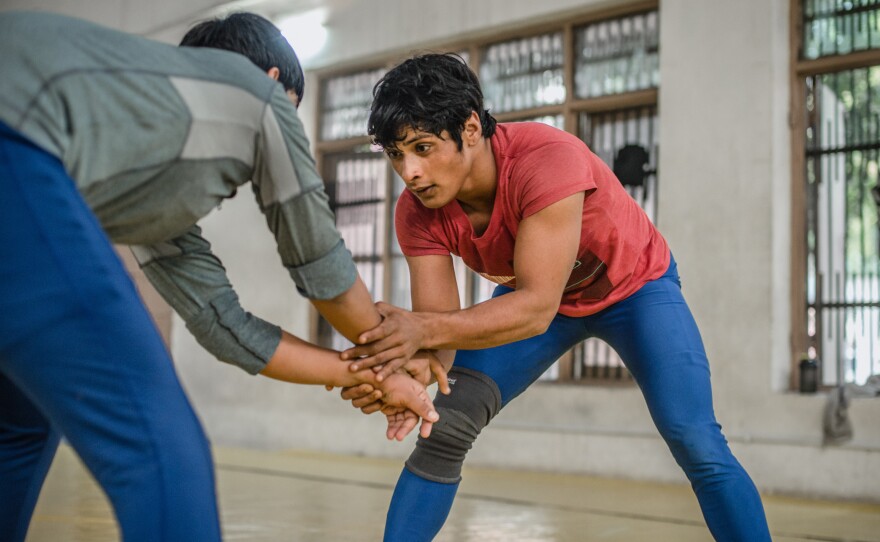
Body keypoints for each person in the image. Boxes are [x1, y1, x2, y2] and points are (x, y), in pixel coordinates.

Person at [0, 12, 438, 542]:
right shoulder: (257, 95)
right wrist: (391, 357)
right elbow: (321, 266)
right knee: (160, 448)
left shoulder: (133, 184)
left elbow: (223, 326)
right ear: (271, 81)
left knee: (20, 423)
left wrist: (364, 375)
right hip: (14, 157)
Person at [338, 53, 772, 541]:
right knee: (444, 426)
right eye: (397, 155)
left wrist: (419, 332)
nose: (411, 171)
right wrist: (418, 372)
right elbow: (441, 331)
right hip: (537, 299)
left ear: (472, 128)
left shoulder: (546, 158)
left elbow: (534, 308)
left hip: (634, 290)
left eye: (423, 147)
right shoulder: (417, 211)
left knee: (695, 441)